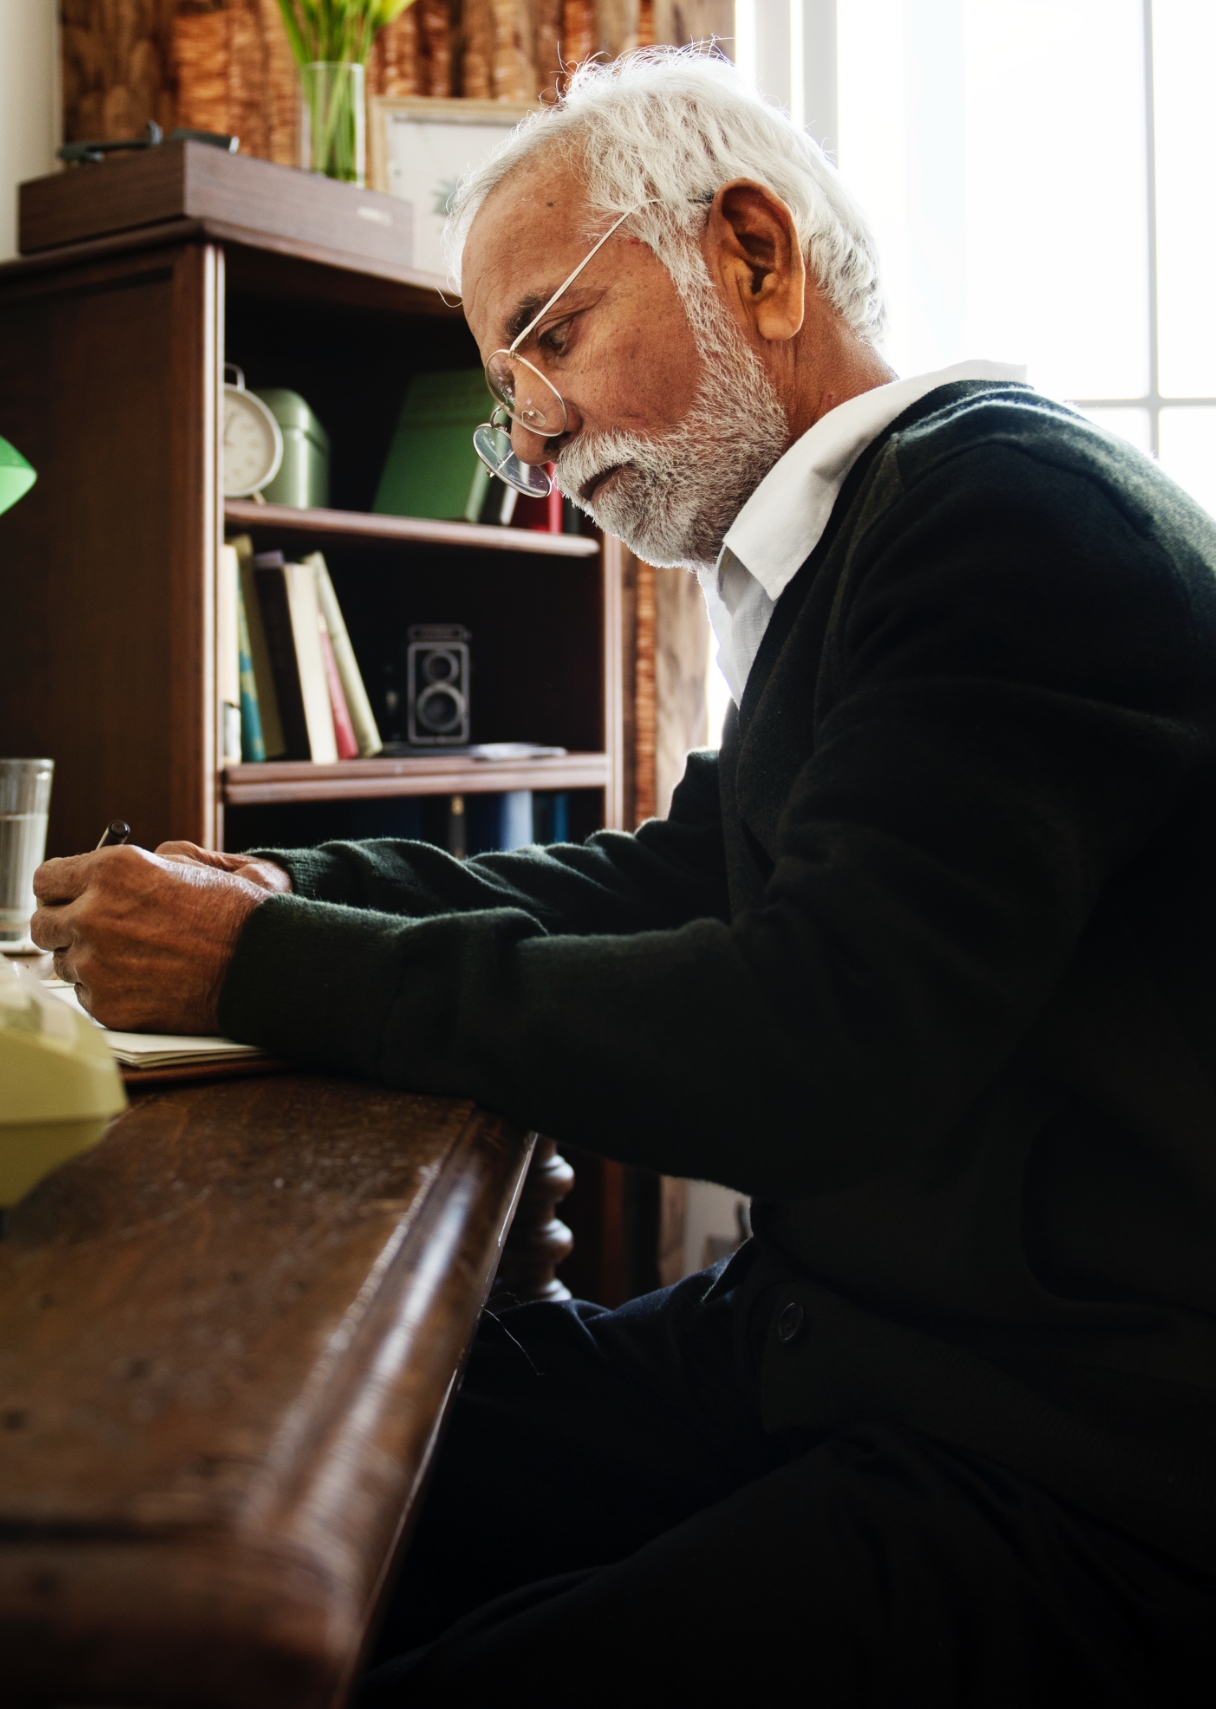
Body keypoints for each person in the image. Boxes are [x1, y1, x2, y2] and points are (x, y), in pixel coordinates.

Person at [32, 48, 1216, 1705]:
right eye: (506, 381)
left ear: (755, 252)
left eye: (547, 339)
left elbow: (818, 1037)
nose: (526, 438)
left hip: (1071, 1458)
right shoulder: (866, 541)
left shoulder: (999, 520)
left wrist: (265, 964)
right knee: (291, 1472)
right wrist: (274, 892)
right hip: (846, 1342)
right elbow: (675, 873)